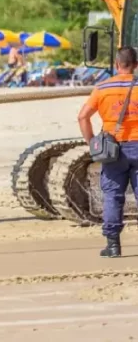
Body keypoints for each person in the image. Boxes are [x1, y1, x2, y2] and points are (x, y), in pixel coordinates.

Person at [78, 46, 138, 258]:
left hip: (113, 150)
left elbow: (82, 117)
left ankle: (113, 245)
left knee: (113, 196)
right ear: (136, 65)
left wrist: (92, 142)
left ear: (116, 64)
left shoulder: (103, 88)